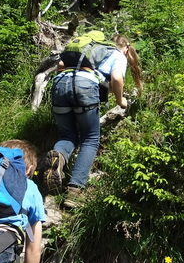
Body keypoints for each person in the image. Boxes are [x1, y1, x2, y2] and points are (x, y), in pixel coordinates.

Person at [44, 33, 142, 208]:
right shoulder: (117, 54)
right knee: (90, 139)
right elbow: (117, 78)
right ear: (126, 47)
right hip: (85, 86)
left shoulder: (90, 49)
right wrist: (121, 101)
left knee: (67, 135)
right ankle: (74, 193)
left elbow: (60, 64)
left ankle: (58, 156)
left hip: (60, 82)